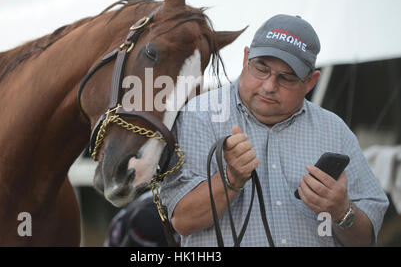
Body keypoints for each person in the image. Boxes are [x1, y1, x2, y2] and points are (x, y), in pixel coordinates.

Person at [161, 14, 389, 247]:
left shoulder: (334, 130)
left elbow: (365, 240)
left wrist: (342, 212)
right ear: (245, 58)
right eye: (261, 69)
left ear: (310, 82)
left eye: (287, 78)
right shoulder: (199, 115)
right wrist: (231, 179)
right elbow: (182, 220)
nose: (269, 86)